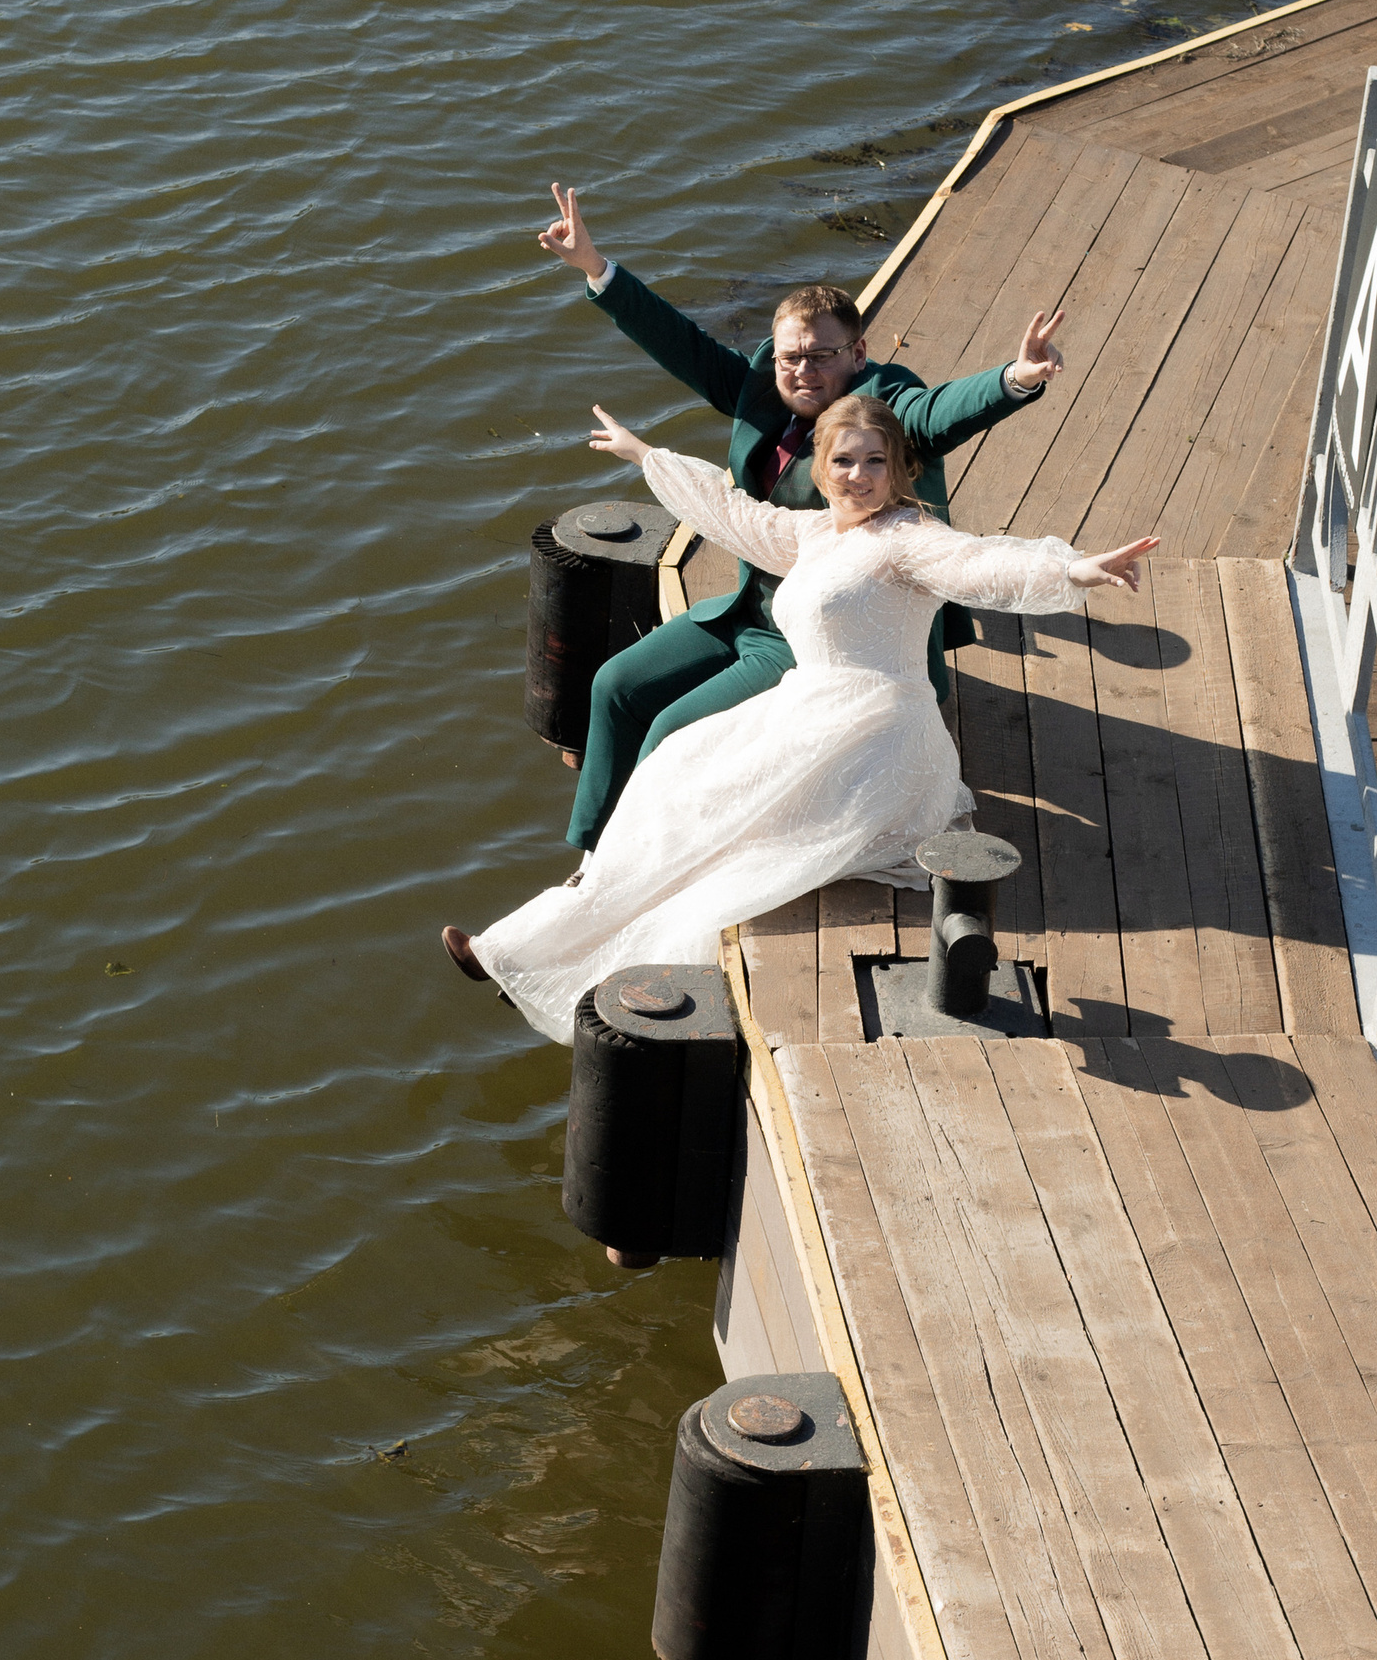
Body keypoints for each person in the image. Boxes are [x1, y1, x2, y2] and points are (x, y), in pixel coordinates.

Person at [442, 391, 1157, 1046]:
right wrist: (646, 455)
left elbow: (979, 564)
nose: (858, 475)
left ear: (897, 468)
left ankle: (540, 957)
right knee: (674, 775)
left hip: (880, 732)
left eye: (875, 461)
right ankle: (524, 949)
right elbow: (734, 514)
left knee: (727, 857)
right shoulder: (816, 534)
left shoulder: (909, 537)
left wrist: (1073, 570)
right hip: (811, 706)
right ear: (821, 468)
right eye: (844, 461)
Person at [538, 183, 1068, 852]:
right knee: (614, 685)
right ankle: (593, 851)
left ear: (857, 354)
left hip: (823, 634)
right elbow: (683, 345)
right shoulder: (765, 387)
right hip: (752, 606)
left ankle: (639, 863)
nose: (804, 370)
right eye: (791, 356)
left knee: (673, 729)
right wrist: (595, 267)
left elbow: (939, 413)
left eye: (822, 355)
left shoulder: (882, 409)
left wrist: (1016, 378)